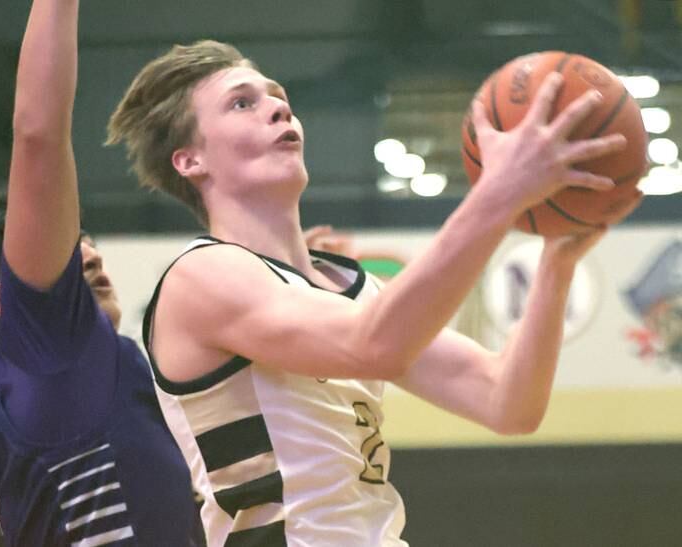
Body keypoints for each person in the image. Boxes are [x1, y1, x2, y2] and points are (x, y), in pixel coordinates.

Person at [106, 40, 643, 546]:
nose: (277, 110)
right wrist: (500, 194)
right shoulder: (201, 276)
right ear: (189, 160)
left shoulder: (353, 289)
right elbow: (373, 345)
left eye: (279, 98)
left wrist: (556, 263)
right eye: (242, 104)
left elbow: (508, 403)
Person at [0, 1, 202, 545]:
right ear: (0, 300)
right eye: (68, 247)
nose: (89, 254)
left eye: (88, 241)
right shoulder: (45, 350)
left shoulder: (71, 373)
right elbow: (38, 134)